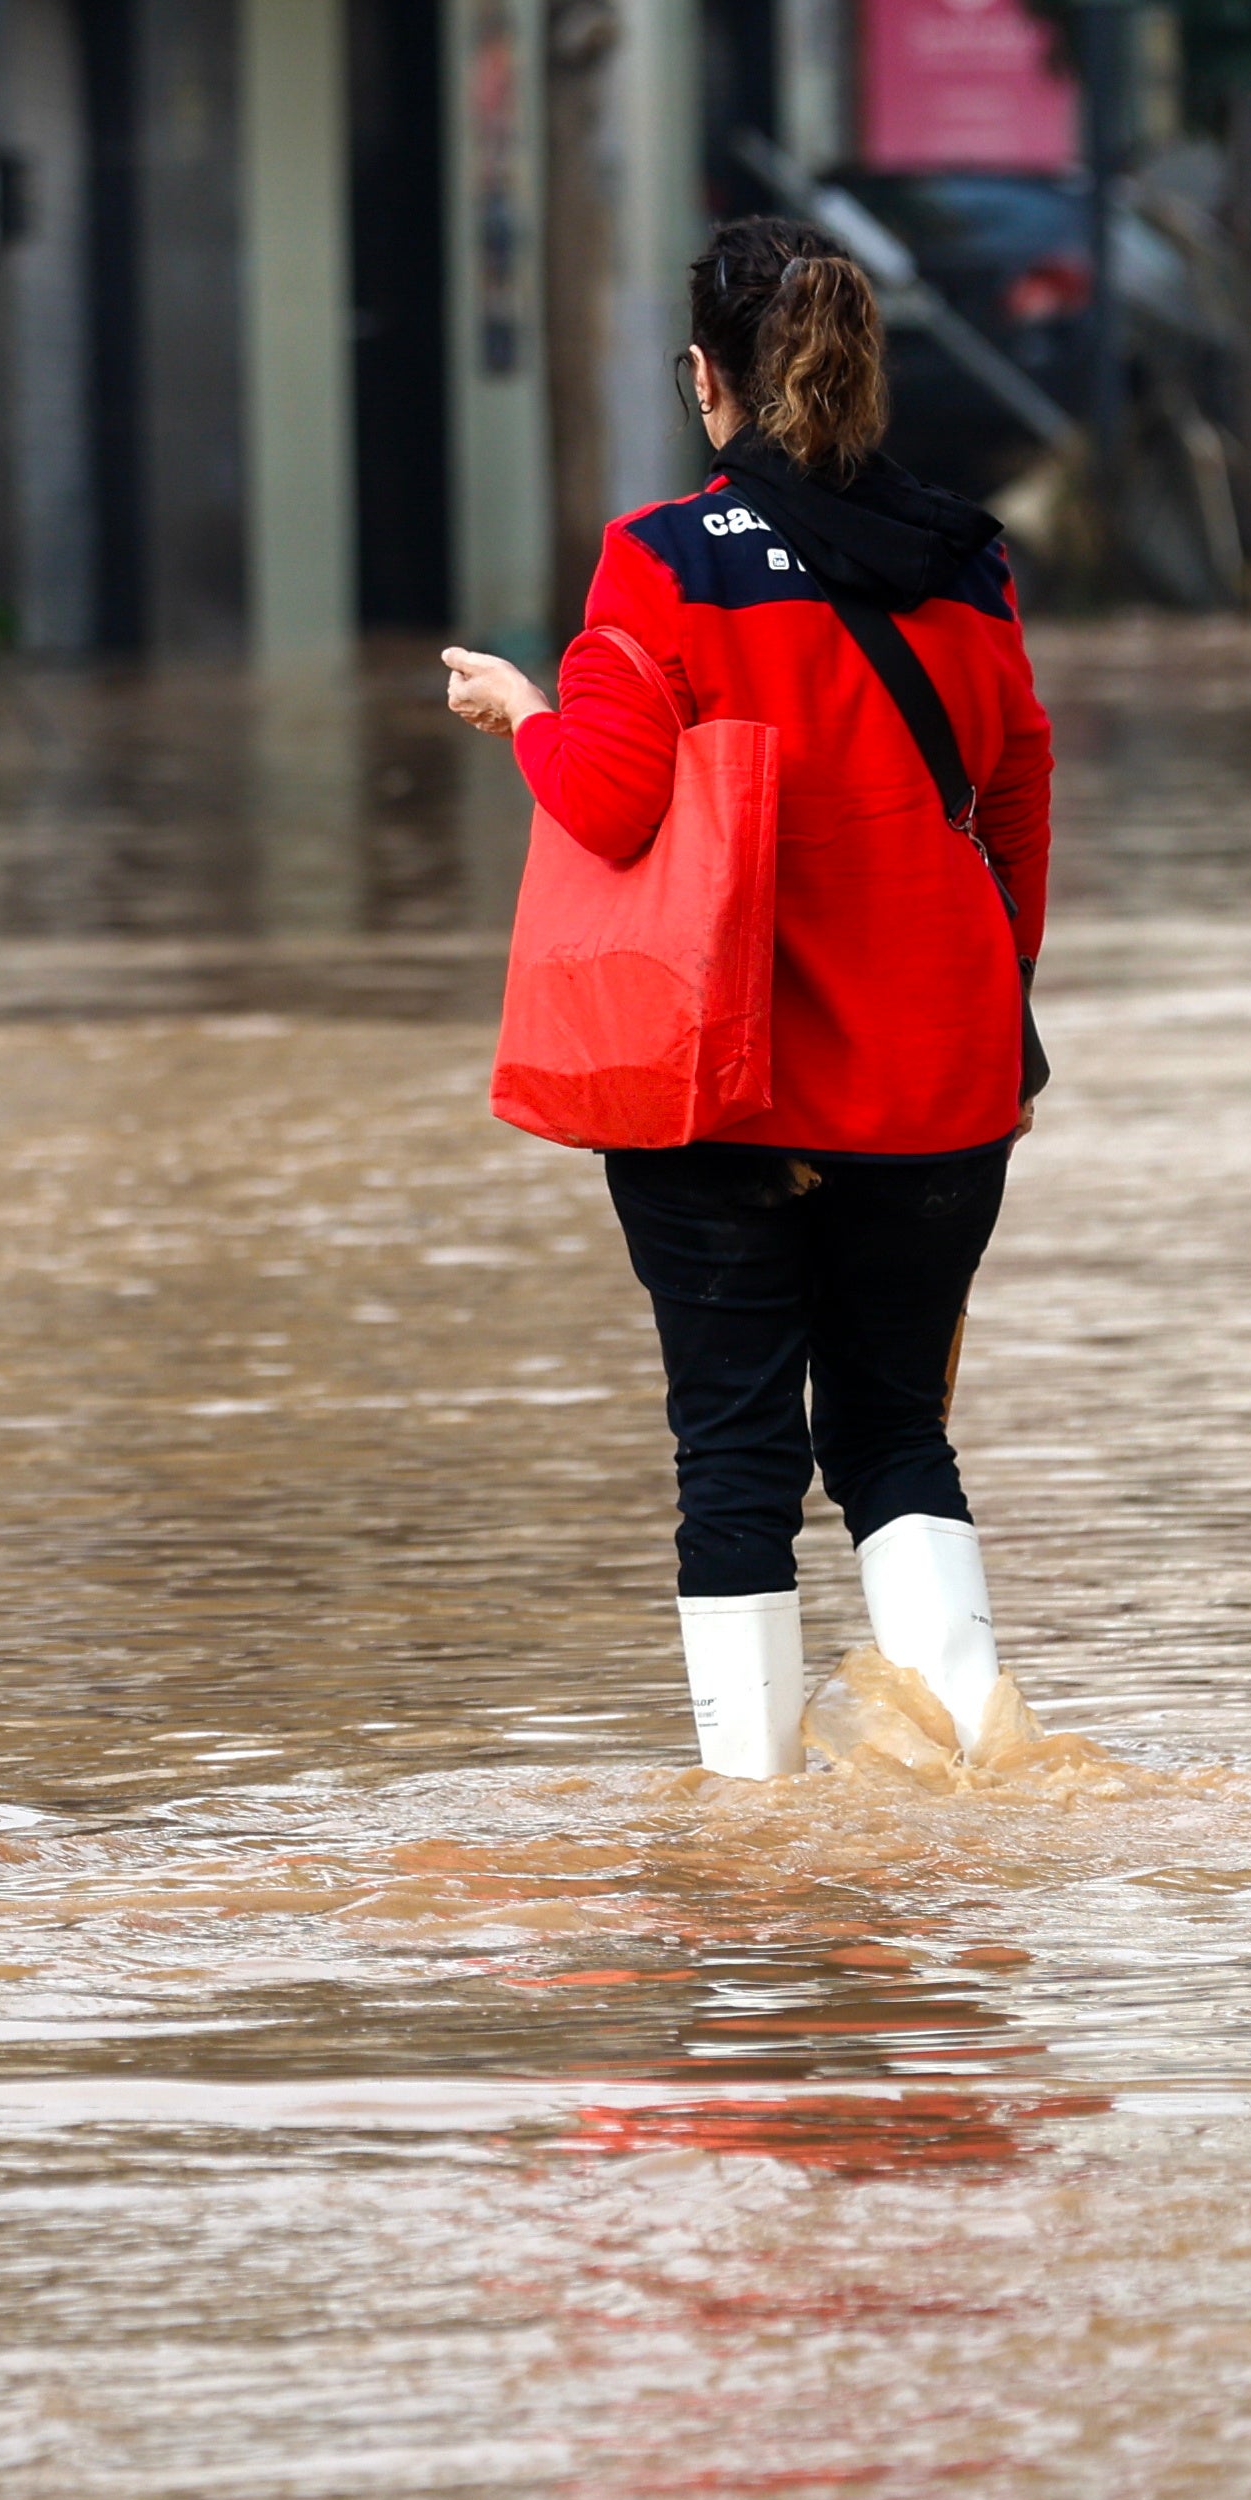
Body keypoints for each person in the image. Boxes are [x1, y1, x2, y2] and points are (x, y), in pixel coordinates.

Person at [438, 214, 1057, 1781]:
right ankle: (978, 1781)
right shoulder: (966, 559)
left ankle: (755, 1845)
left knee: (733, 1457)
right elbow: (1014, 793)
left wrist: (518, 708)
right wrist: (998, 997)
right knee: (895, 1436)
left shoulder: (659, 559)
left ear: (704, 378)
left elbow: (609, 801)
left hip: (721, 1083)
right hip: (938, 1081)